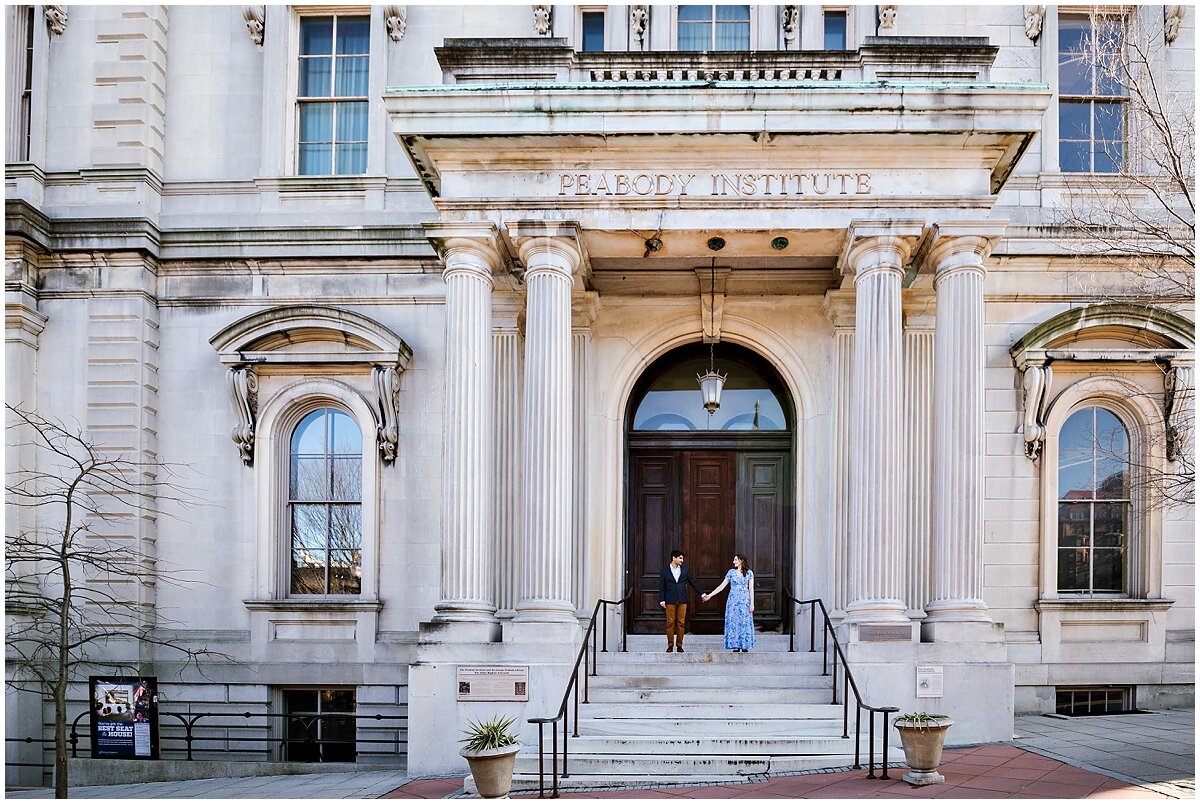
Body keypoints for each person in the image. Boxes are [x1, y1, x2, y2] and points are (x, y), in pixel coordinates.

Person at [702, 554, 755, 652]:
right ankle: (735, 645)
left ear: (741, 561)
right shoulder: (731, 573)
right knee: (733, 622)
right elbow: (721, 586)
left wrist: (752, 604)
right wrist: (710, 595)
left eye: (735, 560)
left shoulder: (749, 573)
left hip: (745, 602)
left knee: (744, 622)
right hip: (733, 602)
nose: (733, 561)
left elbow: (751, 589)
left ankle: (744, 645)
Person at [659, 549, 704, 653]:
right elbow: (662, 586)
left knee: (681, 623)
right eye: (680, 558)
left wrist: (702, 593)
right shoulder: (664, 570)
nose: (682, 560)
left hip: (682, 599)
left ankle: (679, 645)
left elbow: (693, 582)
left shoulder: (685, 570)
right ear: (673, 558)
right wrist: (662, 600)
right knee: (670, 623)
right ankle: (670, 646)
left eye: (682, 558)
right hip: (669, 600)